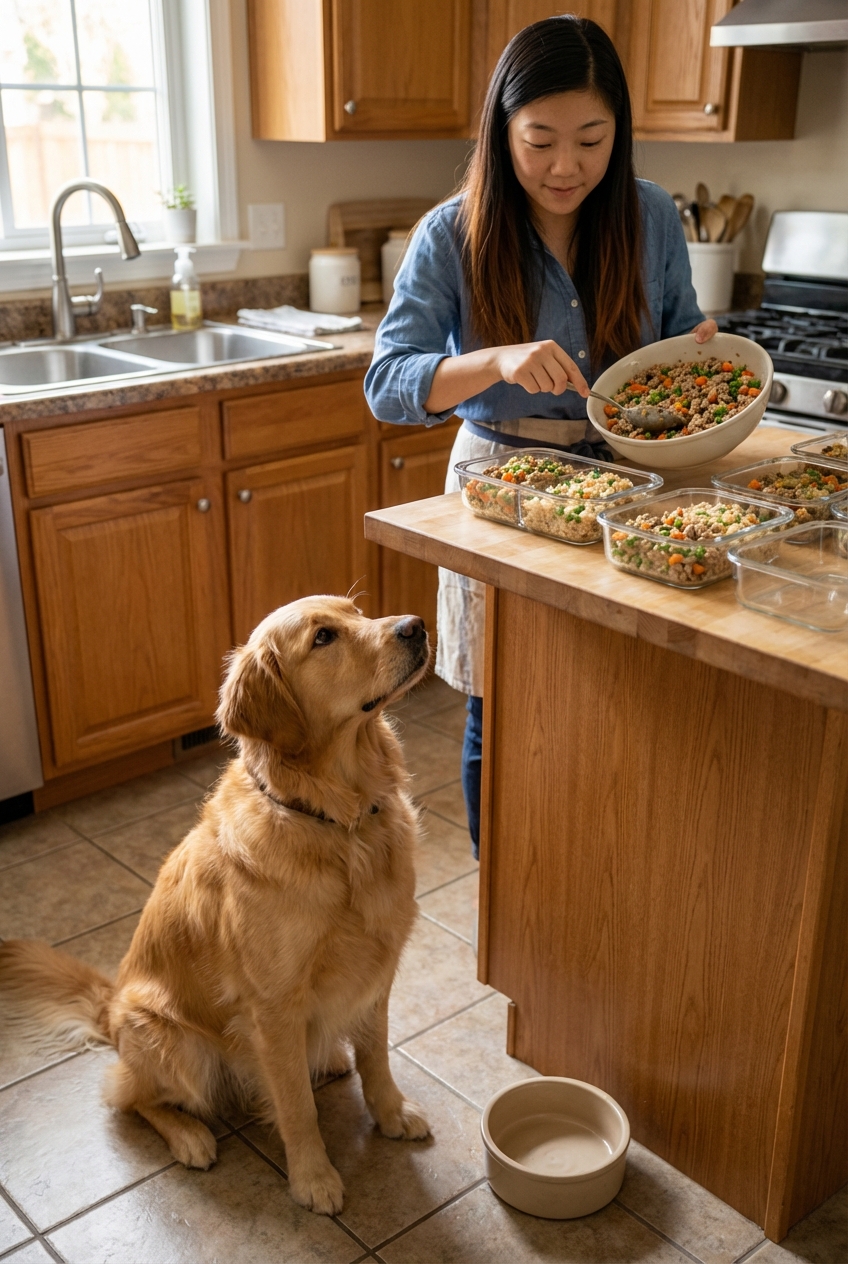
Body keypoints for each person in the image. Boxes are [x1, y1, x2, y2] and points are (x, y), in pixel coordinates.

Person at [364, 15, 715, 859]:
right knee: (504, 705)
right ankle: (509, 904)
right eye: (542, 140)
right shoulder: (452, 231)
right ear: (501, 130)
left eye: (592, 141)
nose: (567, 166)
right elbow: (388, 385)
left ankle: (590, 892)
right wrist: (493, 359)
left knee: (618, 701)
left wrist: (697, 355)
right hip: (503, 489)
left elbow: (675, 339)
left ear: (617, 135)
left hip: (631, 488)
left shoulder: (651, 214)